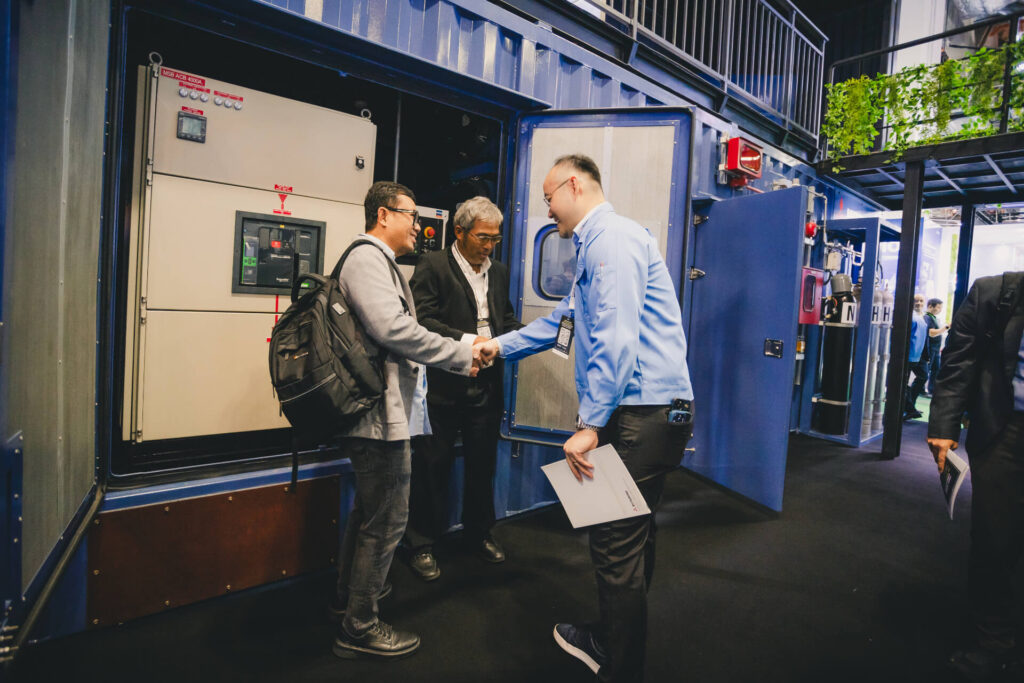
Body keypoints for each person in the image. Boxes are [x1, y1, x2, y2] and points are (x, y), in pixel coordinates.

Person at [475, 154, 694, 683]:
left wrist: (590, 424)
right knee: (633, 537)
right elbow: (562, 324)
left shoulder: (611, 240)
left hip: (638, 413)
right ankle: (611, 637)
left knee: (614, 543)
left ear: (574, 184)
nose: (547, 210)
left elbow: (617, 337)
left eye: (549, 197)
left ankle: (619, 662)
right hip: (655, 412)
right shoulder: (602, 244)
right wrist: (496, 347)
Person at [330, 181, 480, 660]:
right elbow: (395, 331)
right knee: (387, 524)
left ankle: (347, 599)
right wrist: (462, 352)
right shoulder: (367, 260)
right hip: (378, 421)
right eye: (411, 215)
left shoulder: (378, 261)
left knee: (368, 515)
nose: (419, 225)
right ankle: (360, 626)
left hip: (380, 417)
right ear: (383, 216)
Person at [404, 196, 523, 580]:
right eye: (482, 238)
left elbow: (503, 317)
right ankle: (422, 543)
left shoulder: (499, 271)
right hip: (444, 384)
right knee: (431, 466)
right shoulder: (433, 265)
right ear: (459, 232)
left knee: (481, 464)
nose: (489, 246)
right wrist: (470, 342)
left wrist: (524, 337)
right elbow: (423, 319)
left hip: (487, 383)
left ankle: (480, 533)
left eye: (495, 239)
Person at [927, 271, 1024, 681]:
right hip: (1007, 429)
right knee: (994, 539)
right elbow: (959, 360)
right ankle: (993, 641)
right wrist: (944, 426)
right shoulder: (996, 293)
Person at [904, 293, 929, 419]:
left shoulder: (921, 318)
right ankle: (908, 408)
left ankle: (909, 406)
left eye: (921, 301)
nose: (918, 303)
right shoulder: (911, 317)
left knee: (923, 377)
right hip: (908, 355)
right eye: (916, 301)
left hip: (918, 356)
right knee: (903, 382)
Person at [924, 297, 949, 396]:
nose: (940, 310)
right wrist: (946, 328)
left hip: (936, 348)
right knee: (927, 370)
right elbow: (931, 333)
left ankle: (932, 389)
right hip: (930, 348)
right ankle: (923, 389)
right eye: (938, 307)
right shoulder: (927, 317)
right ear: (930, 306)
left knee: (936, 369)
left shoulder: (934, 318)